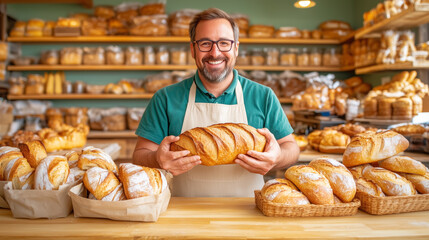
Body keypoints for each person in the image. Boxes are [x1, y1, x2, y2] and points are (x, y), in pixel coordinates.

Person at [133, 8, 299, 197]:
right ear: (193, 49)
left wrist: (277, 157)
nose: (215, 52)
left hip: (249, 216)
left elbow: (291, 148)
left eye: (224, 43)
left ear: (236, 48)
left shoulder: (263, 96)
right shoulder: (165, 98)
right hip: (181, 216)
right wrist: (156, 159)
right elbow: (140, 155)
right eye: (205, 43)